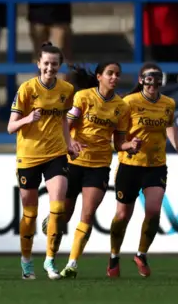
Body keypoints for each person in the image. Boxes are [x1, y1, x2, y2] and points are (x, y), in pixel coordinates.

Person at [43, 62, 141, 278]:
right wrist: (72, 143)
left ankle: (72, 264)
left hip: (99, 166)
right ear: (99, 76)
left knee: (87, 215)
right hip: (74, 162)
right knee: (63, 216)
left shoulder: (121, 107)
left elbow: (118, 143)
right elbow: (66, 128)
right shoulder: (83, 97)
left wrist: (130, 146)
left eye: (117, 74)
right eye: (110, 73)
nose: (114, 77)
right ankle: (50, 257)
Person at [107, 63, 178, 278]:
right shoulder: (129, 102)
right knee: (122, 215)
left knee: (153, 212)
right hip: (130, 165)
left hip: (156, 165)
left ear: (161, 82)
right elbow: (117, 136)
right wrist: (128, 145)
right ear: (141, 80)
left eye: (157, 80)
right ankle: (114, 256)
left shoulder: (168, 103)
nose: (153, 85)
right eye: (149, 80)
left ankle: (141, 254)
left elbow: (170, 125)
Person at [7, 42, 81, 280]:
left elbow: (62, 119)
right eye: (46, 63)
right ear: (38, 64)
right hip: (29, 155)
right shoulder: (27, 89)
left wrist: (69, 143)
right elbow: (11, 127)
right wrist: (28, 118)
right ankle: (26, 260)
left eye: (54, 64)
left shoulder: (66, 89)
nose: (50, 68)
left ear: (60, 65)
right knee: (30, 214)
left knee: (58, 208)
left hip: (55, 153)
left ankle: (50, 261)